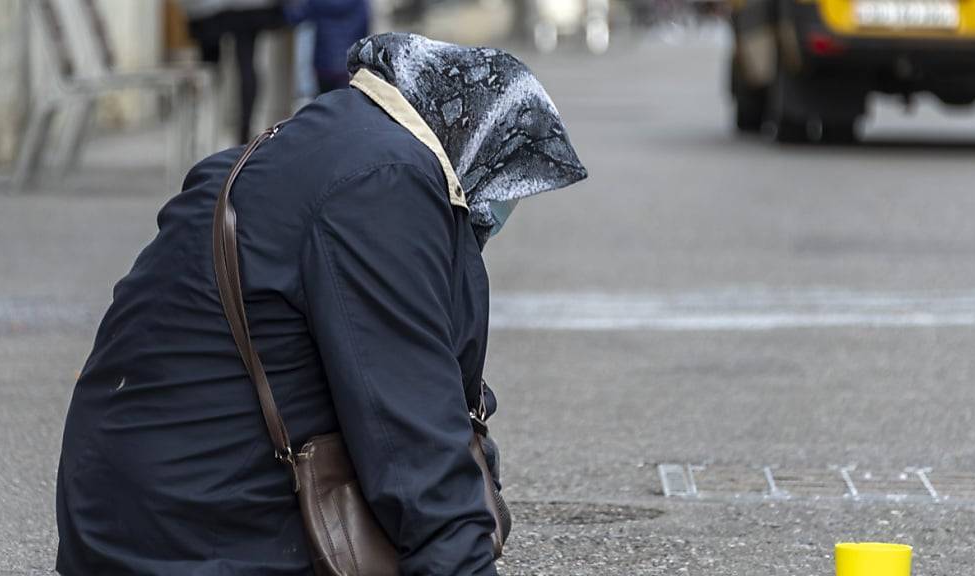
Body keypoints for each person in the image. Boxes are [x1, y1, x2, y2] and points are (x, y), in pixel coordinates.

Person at [55, 33, 586, 575]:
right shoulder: (380, 183)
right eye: (505, 178)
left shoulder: (330, 143)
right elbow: (413, 429)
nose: (499, 204)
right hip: (193, 541)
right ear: (474, 135)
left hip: (129, 520)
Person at [180, 0, 287, 142]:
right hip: (250, 9)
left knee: (210, 68)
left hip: (210, 11)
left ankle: (204, 131)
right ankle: (244, 133)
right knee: (245, 62)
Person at [284, 0, 370, 94]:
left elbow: (295, 17)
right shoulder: (359, 3)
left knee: (325, 99)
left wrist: (282, 9)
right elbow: (364, 30)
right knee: (348, 100)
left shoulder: (317, 3)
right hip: (349, 64)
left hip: (324, 65)